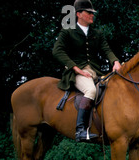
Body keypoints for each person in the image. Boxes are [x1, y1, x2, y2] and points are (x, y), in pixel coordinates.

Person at [52, 0, 122, 142]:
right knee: (91, 90)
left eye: (92, 13)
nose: (92, 15)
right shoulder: (68, 31)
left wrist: (115, 61)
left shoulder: (97, 33)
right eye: (89, 13)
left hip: (95, 71)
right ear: (79, 14)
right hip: (76, 73)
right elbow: (57, 51)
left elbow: (106, 49)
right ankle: (80, 131)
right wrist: (75, 68)